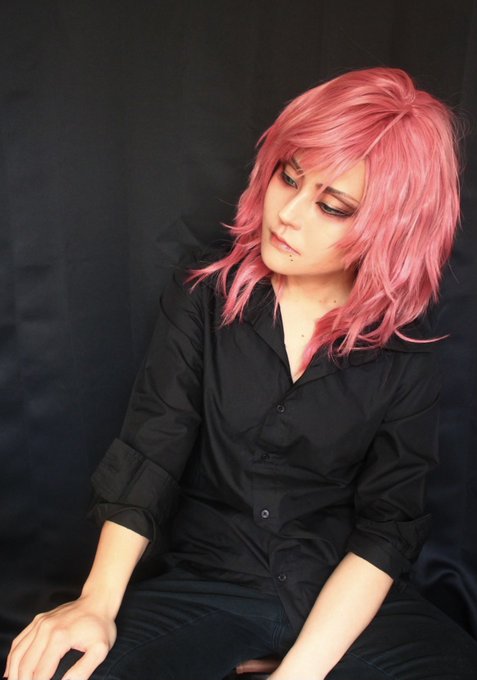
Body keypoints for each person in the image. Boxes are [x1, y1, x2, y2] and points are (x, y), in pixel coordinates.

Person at [5, 67, 477, 680]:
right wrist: (96, 602)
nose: (289, 215)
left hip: (341, 602)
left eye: (333, 206)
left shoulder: (405, 349)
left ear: (391, 229)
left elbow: (388, 528)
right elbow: (151, 451)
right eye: (289, 177)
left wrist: (298, 671)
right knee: (64, 670)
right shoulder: (203, 297)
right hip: (210, 587)